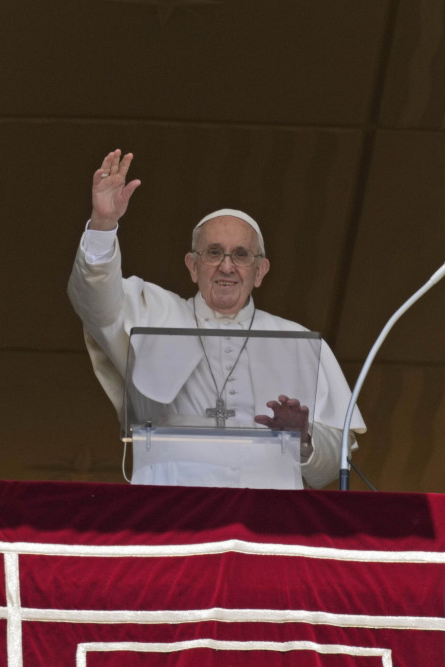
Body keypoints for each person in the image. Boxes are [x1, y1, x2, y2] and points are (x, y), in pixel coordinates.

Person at [68, 149, 365, 489]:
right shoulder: (153, 311)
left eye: (241, 255)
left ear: (260, 271)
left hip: (268, 513)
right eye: (213, 253)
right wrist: (103, 224)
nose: (227, 266)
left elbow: (332, 467)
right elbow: (94, 301)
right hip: (171, 506)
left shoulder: (296, 340)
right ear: (192, 266)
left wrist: (304, 436)